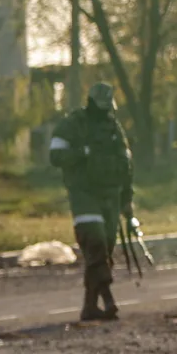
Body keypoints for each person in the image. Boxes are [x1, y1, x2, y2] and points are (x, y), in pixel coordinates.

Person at [49, 82, 134, 322]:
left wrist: (128, 200)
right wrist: (82, 153)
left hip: (111, 196)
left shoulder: (114, 127)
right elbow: (55, 156)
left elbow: (126, 165)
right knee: (95, 244)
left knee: (103, 251)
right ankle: (108, 300)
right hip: (84, 194)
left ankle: (90, 306)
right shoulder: (73, 124)